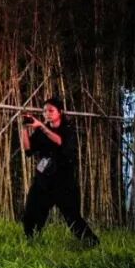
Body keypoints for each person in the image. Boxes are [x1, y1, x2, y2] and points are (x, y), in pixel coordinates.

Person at [20, 97, 100, 247]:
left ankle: (91, 243)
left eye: (51, 111)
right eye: (44, 111)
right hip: (43, 180)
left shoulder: (67, 129)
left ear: (60, 112)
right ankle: (31, 242)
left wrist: (41, 126)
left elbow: (59, 141)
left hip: (63, 181)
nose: (47, 114)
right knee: (31, 212)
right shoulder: (40, 131)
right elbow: (28, 150)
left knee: (72, 217)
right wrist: (24, 129)